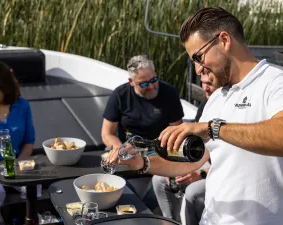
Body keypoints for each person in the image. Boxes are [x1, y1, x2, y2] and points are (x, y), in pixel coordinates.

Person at [119, 7, 283, 225]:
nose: (197, 70)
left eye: (198, 57)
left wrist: (212, 128)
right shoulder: (216, 98)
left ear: (224, 40)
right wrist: (141, 163)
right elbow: (193, 161)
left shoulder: (274, 83)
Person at [101, 55, 184, 205]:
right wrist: (121, 149)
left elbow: (177, 132)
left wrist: (169, 159)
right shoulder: (120, 95)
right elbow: (107, 133)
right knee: (107, 161)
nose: (152, 86)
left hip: (159, 148)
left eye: (154, 80)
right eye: (144, 83)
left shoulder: (169, 93)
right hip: (126, 146)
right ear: (131, 82)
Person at [152, 75, 216, 224]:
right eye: (203, 83)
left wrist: (200, 173)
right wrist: (175, 165)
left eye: (210, 84)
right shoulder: (206, 105)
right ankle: (170, 222)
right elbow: (197, 145)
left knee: (192, 192)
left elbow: (230, 159)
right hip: (204, 159)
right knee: (159, 179)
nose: (205, 88)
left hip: (217, 167)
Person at [0, 62, 36, 223]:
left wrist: (18, 165)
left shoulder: (23, 106)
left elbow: (28, 141)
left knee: (34, 188)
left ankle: (26, 220)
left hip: (14, 165)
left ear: (6, 87)